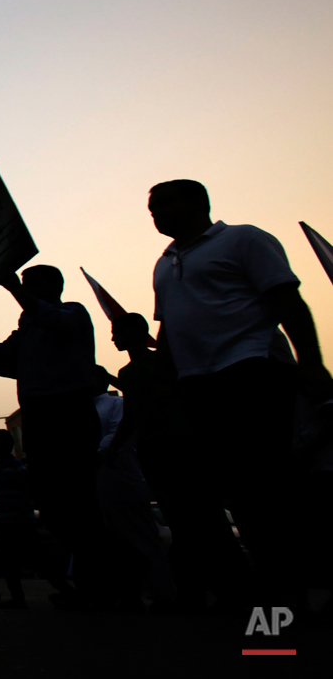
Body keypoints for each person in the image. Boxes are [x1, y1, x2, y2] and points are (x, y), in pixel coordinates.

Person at [148, 179, 333, 607]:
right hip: (200, 385)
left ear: (198, 202)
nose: (155, 214)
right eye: (152, 208)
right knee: (237, 491)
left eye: (163, 204)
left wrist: (311, 362)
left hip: (250, 371)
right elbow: (170, 328)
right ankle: (272, 588)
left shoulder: (243, 239)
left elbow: (288, 301)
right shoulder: (164, 263)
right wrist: (164, 387)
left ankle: (288, 593)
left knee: (265, 486)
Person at [0, 265, 108, 606]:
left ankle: (99, 586)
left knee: (82, 502)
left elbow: (50, 319)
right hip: (40, 419)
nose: (21, 289)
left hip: (70, 413)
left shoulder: (71, 313)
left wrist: (14, 288)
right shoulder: (28, 327)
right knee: (50, 500)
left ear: (50, 285)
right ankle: (94, 582)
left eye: (28, 283)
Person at [106, 312, 244, 609]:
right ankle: (196, 590)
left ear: (136, 331)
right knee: (181, 519)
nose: (113, 337)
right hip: (153, 449)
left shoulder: (165, 364)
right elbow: (131, 417)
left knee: (203, 515)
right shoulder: (128, 373)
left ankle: (230, 588)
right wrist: (115, 446)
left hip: (179, 445)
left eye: (117, 330)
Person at [92, 380, 175, 610]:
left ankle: (161, 592)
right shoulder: (88, 408)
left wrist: (101, 453)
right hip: (102, 482)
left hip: (121, 478)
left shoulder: (114, 404)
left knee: (140, 537)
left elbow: (121, 432)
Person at [0, 429, 34, 608]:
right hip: (6, 522)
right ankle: (17, 597)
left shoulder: (16, 469)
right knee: (9, 563)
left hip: (20, 522)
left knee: (28, 559)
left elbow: (25, 496)